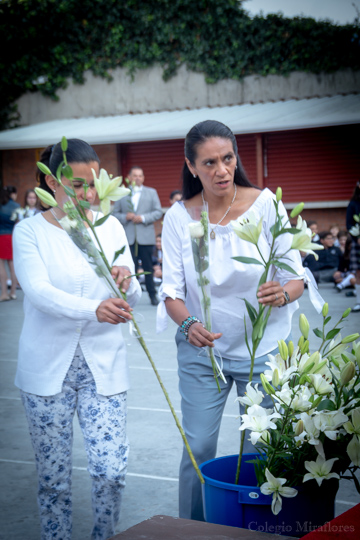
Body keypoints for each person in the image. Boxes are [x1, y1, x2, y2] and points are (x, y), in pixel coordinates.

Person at [157, 120, 305, 521]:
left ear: (236, 158)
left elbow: (296, 277)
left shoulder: (265, 204)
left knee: (260, 449)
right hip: (203, 355)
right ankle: (192, 527)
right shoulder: (178, 217)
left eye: (227, 159)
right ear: (191, 167)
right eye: (209, 163)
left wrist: (282, 293)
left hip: (263, 350)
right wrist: (189, 325)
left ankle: (254, 526)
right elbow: (170, 291)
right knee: (199, 449)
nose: (221, 170)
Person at [12, 139, 142, 540]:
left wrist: (126, 280)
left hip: (104, 364)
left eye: (92, 185)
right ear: (51, 182)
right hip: (46, 370)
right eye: (76, 184)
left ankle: (104, 536)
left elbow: (132, 295)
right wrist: (94, 309)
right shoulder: (29, 231)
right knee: (54, 481)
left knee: (111, 472)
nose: (87, 195)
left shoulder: (111, 226)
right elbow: (38, 291)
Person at [113, 166, 163, 305]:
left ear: (143, 177)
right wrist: (125, 216)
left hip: (145, 237)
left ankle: (152, 295)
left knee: (148, 268)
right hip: (129, 237)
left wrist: (143, 218)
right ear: (129, 177)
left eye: (140, 175)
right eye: (135, 175)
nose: (137, 178)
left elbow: (158, 211)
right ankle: (128, 297)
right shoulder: (122, 193)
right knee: (130, 267)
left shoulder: (151, 192)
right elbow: (114, 213)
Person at [0, 186, 20, 301]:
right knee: (13, 266)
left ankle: (4, 293)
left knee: (1, 267)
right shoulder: (16, 206)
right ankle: (13, 292)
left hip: (1, 236)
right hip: (11, 236)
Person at [346, 180, 360, 312]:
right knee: (358, 273)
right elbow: (349, 224)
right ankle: (359, 301)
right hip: (358, 243)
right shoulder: (353, 204)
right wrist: (357, 238)